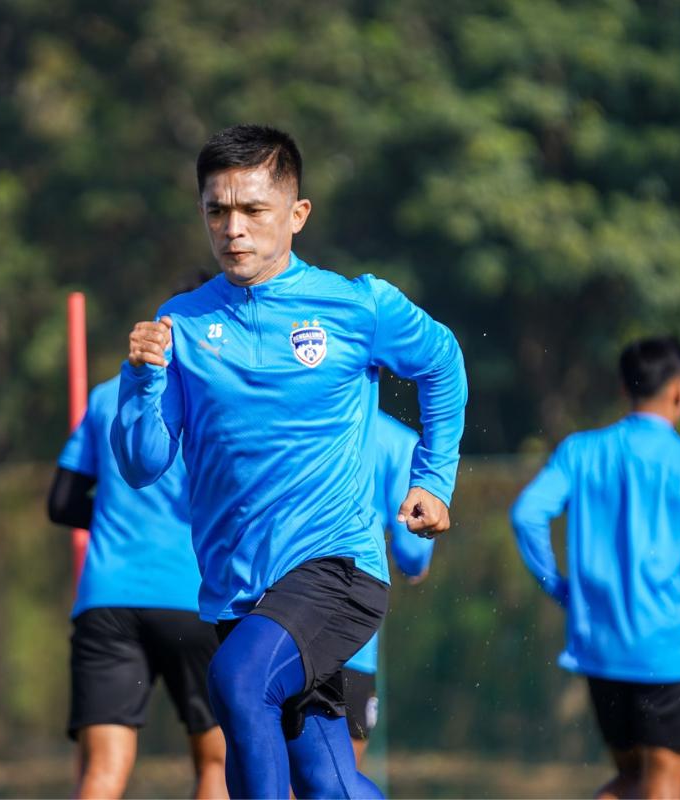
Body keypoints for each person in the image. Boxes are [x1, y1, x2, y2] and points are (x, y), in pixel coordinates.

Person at [111, 124, 467, 799]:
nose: (233, 229)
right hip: (237, 590)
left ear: (297, 215)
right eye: (217, 211)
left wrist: (433, 478)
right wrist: (143, 379)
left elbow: (443, 363)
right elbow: (142, 463)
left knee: (240, 684)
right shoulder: (181, 322)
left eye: (252, 210)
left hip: (337, 569)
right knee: (325, 780)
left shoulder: (356, 305)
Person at [510, 336, 680, 800]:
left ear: (624, 388)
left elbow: (526, 514)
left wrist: (560, 587)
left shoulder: (581, 452)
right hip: (667, 653)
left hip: (600, 652)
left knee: (632, 783)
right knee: (662, 787)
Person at [48, 368, 226, 799]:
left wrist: (117, 523)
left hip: (108, 597)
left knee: (104, 769)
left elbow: (62, 502)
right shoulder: (221, 390)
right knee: (217, 765)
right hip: (194, 594)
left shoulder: (108, 395)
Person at [343, 410, 435, 766]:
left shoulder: (296, 418)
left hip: (278, 616)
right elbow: (412, 551)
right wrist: (414, 564)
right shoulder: (396, 441)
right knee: (336, 779)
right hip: (351, 631)